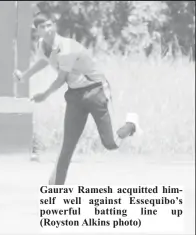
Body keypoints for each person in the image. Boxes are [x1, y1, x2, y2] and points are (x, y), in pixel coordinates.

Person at [14, 13, 142, 185]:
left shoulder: (66, 48)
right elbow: (43, 61)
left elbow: (60, 79)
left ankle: (131, 124)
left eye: (49, 24)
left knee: (111, 143)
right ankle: (55, 194)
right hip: (75, 96)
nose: (48, 29)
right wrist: (24, 76)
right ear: (36, 30)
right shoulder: (42, 46)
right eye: (43, 27)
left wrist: (44, 95)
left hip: (96, 91)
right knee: (67, 147)